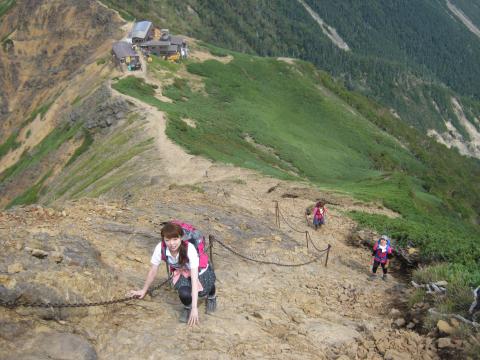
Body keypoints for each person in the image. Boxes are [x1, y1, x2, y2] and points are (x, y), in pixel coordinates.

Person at [129, 221, 217, 326]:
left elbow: (194, 279)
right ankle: (187, 306)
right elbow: (153, 270)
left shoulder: (190, 249)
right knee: (184, 293)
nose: (172, 243)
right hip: (182, 271)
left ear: (181, 238)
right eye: (168, 240)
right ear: (163, 240)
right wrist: (143, 290)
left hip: (200, 271)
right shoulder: (160, 248)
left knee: (202, 291)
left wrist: (195, 308)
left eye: (175, 239)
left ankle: (212, 295)